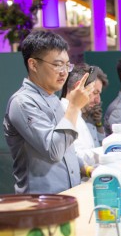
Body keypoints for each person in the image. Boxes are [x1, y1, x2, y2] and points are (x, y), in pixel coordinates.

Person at [3, 30, 93, 194]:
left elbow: (67, 150)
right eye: (57, 64)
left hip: (69, 196)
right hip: (40, 204)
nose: (64, 72)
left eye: (67, 65)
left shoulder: (52, 98)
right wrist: (73, 107)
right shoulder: (23, 102)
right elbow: (54, 150)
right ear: (33, 64)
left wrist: (88, 170)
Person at [60, 63, 108, 174]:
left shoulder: (78, 115)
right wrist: (110, 150)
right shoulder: (62, 113)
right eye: (94, 92)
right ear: (78, 87)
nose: (97, 100)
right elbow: (73, 156)